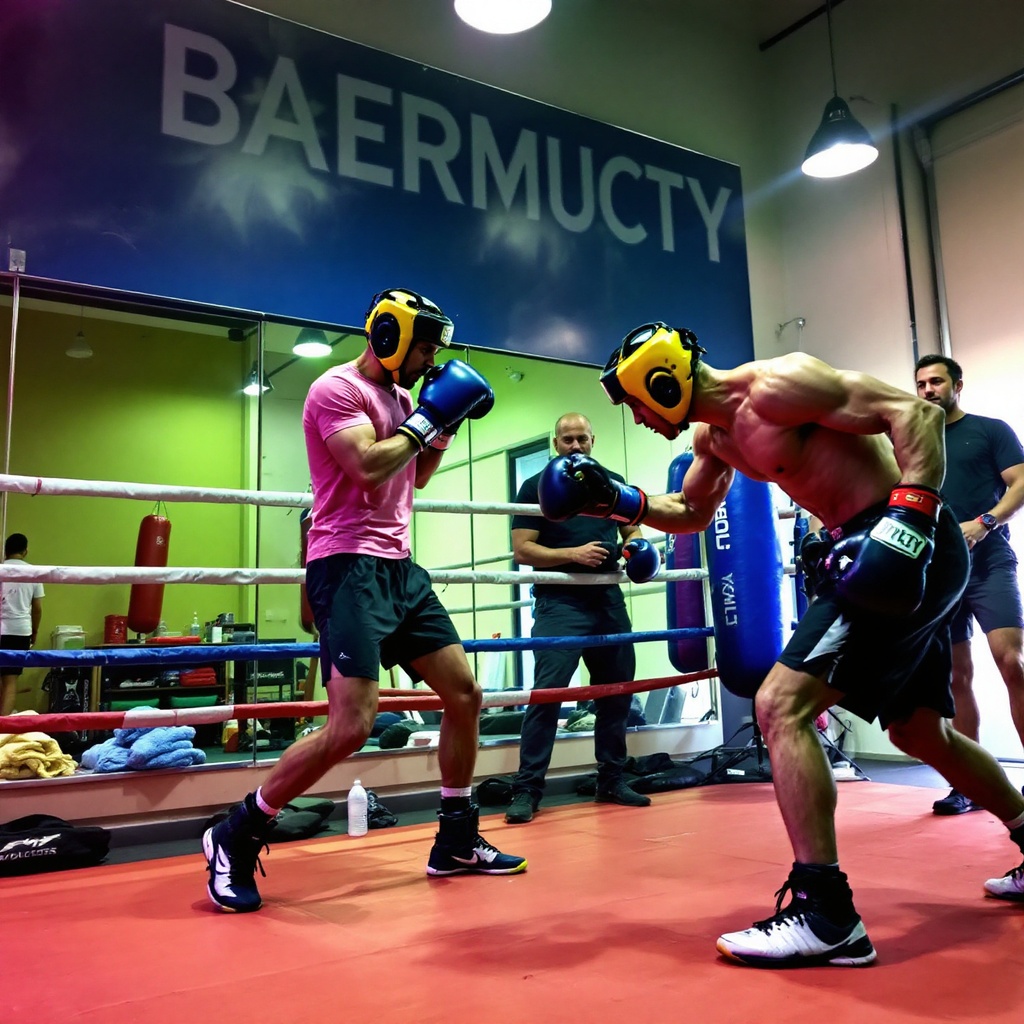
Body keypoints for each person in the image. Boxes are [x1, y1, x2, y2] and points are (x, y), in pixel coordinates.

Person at [537, 321, 1024, 967]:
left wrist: (908, 522)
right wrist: (617, 500)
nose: (639, 416)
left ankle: (827, 913)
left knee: (779, 705)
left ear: (661, 380)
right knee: (917, 732)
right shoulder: (714, 441)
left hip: (901, 541)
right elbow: (692, 513)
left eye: (636, 402)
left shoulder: (778, 384)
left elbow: (913, 415)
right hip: (878, 553)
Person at [203, 287, 526, 912]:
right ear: (388, 337)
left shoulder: (406, 397)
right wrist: (430, 419)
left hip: (400, 568)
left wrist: (442, 424)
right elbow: (369, 467)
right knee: (350, 726)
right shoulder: (335, 389)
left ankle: (456, 839)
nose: (431, 359)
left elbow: (415, 474)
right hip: (345, 566)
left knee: (464, 694)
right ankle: (236, 831)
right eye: (424, 346)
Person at [505, 413, 658, 824]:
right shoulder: (534, 486)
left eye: (581, 439)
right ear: (556, 443)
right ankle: (527, 789)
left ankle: (611, 778)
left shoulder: (611, 482)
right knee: (548, 694)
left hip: (606, 599)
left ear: (593, 440)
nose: (575, 446)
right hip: (560, 604)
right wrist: (572, 555)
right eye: (567, 439)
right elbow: (523, 551)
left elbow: (634, 532)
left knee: (617, 690)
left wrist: (635, 552)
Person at [914, 354, 1024, 814]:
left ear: (958, 385)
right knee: (957, 676)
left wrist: (985, 521)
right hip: (939, 571)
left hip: (989, 562)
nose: (927, 391)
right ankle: (972, 786)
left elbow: (1020, 483)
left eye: (936, 382)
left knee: (1012, 661)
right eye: (920, 384)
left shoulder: (989, 429)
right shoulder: (915, 441)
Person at [1, 533, 44, 716]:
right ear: (25, 551)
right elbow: (37, 608)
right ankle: (2, 730)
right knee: (10, 681)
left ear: (5, 551)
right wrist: (34, 632)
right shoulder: (33, 572)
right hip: (19, 630)